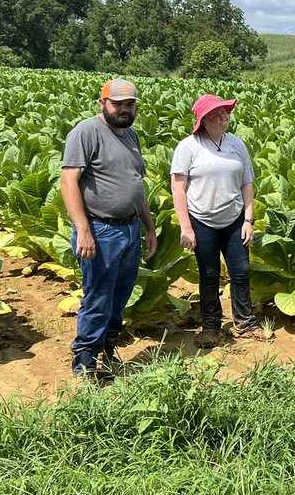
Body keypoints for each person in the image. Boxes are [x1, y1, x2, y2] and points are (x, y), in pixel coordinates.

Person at [61, 78, 158, 380]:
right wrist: (84, 230)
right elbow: (68, 182)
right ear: (103, 103)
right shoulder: (86, 132)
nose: (125, 109)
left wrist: (150, 229)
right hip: (101, 231)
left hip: (129, 231)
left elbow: (135, 186)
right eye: (118, 103)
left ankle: (108, 349)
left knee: (120, 294)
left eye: (130, 104)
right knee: (98, 297)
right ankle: (84, 364)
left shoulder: (132, 136)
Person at [171, 93, 268, 345]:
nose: (223, 116)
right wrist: (186, 227)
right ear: (203, 121)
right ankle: (211, 328)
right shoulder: (188, 147)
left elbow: (247, 182)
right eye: (216, 114)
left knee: (241, 271)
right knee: (209, 274)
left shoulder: (236, 144)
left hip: (235, 219)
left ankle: (244, 323)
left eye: (224, 111)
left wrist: (248, 219)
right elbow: (178, 188)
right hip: (202, 221)